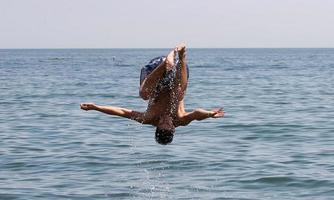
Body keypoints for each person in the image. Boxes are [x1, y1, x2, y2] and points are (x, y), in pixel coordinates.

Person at [80, 43, 224, 145]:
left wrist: (95, 107)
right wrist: (210, 114)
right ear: (173, 128)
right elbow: (196, 115)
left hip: (154, 72)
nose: (164, 120)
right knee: (179, 96)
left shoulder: (148, 118)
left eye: (161, 123)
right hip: (178, 75)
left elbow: (122, 112)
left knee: (144, 95)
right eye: (168, 124)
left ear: (157, 127)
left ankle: (165, 64)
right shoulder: (181, 120)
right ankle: (181, 56)